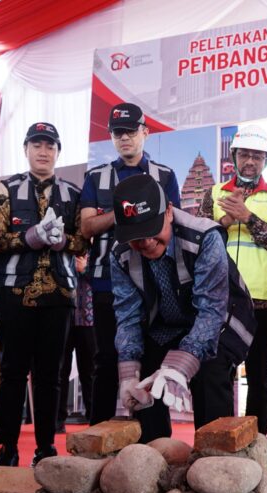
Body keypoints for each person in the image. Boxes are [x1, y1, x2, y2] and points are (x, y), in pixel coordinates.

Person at [110, 174, 255, 442]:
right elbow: (128, 316)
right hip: (167, 324)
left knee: (209, 371)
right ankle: (152, 453)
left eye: (151, 230)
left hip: (222, 319)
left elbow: (211, 311)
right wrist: (129, 374)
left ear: (169, 212)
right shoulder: (119, 254)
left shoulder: (205, 237)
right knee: (144, 379)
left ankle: (215, 455)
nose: (146, 243)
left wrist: (181, 366)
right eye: (136, 237)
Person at [0, 122, 87, 467]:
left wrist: (63, 242)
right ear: (26, 149)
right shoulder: (6, 188)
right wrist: (30, 237)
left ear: (58, 152)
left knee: (50, 375)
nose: (43, 152)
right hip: (14, 292)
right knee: (12, 372)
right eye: (37, 145)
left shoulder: (73, 193)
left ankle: (46, 448)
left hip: (59, 295)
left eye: (50, 146)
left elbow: (84, 240)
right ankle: (8, 448)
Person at [81, 103, 180, 425]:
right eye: (117, 132)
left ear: (145, 133)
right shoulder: (96, 176)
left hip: (155, 280)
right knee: (106, 360)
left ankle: (154, 439)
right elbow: (87, 227)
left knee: (153, 359)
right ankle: (98, 435)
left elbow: (173, 224)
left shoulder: (164, 175)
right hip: (106, 280)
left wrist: (124, 214)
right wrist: (127, 211)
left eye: (130, 131)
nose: (124, 138)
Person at [198, 124, 267, 435]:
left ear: (266, 160)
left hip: (261, 298)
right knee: (217, 370)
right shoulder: (213, 193)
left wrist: (247, 216)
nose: (250, 161)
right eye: (245, 155)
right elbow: (199, 238)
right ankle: (218, 436)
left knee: (259, 375)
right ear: (234, 157)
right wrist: (226, 219)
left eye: (257, 156)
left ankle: (256, 441)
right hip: (219, 297)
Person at [57, 254, 96, 431]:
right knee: (60, 370)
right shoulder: (61, 249)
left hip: (89, 318)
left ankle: (94, 418)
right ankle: (57, 420)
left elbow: (105, 280)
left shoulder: (96, 250)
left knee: (90, 371)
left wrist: (85, 269)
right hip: (63, 315)